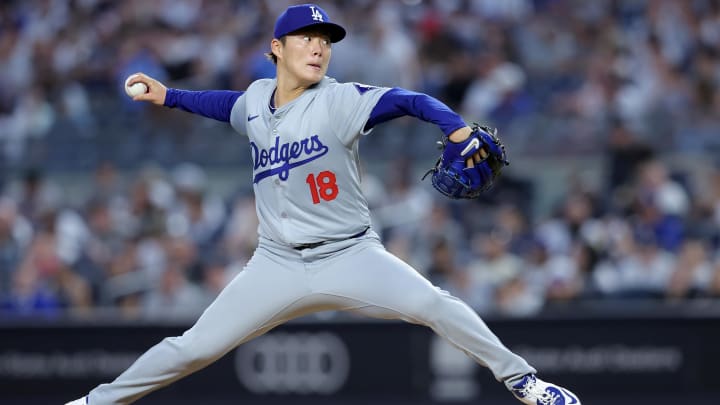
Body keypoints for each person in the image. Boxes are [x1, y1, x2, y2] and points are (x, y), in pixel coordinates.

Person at [66, 4, 581, 405]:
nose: (318, 48)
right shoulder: (255, 99)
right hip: (276, 263)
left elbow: (409, 99)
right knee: (193, 348)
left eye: (325, 41)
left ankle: (525, 383)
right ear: (276, 48)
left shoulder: (338, 99)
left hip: (350, 254)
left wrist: (457, 127)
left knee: (433, 304)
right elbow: (225, 105)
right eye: (306, 39)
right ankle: (95, 400)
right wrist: (169, 96)